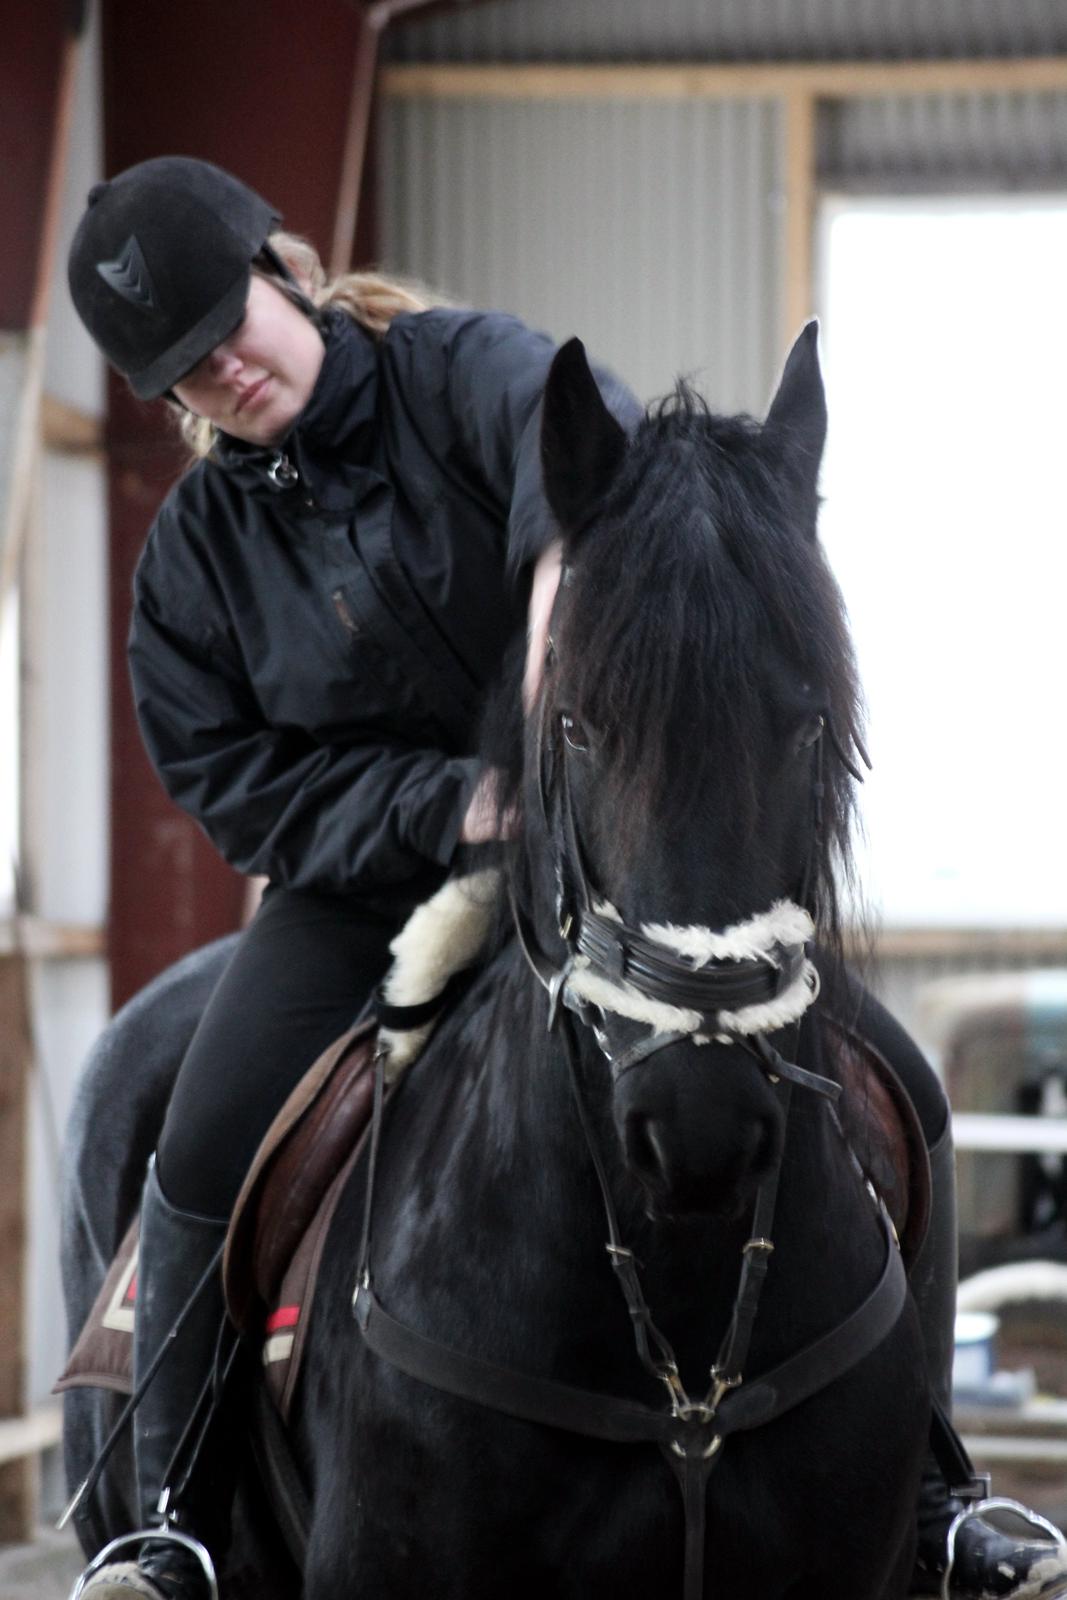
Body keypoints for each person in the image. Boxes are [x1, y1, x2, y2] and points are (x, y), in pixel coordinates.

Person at [65, 156, 1066, 1600]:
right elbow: (233, 780)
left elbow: (574, 471)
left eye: (231, 318)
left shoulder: (465, 371)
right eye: (189, 369)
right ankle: (168, 1521)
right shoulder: (190, 568)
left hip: (611, 839)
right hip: (367, 886)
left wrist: (561, 632)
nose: (226, 365)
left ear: (284, 272)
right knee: (198, 1142)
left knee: (893, 1085)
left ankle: (936, 1494)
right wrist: (445, 802)